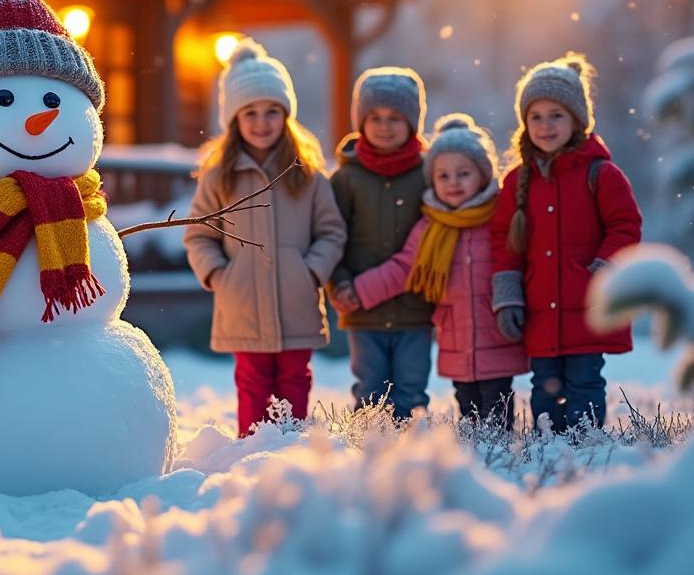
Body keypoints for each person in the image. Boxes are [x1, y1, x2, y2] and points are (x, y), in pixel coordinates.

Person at [184, 38, 346, 438]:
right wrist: (221, 275)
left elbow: (331, 231)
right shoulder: (220, 175)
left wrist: (310, 271)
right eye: (250, 112)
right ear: (234, 120)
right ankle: (251, 452)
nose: (262, 122)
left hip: (296, 300)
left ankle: (290, 450)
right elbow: (199, 235)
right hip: (243, 303)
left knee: (294, 380)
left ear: (286, 115)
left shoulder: (307, 173)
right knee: (253, 383)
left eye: (272, 111)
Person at [490, 53, 642, 432]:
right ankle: (548, 446)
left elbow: (625, 226)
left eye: (556, 114)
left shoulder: (601, 174)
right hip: (540, 308)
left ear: (577, 119)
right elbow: (503, 242)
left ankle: (584, 445)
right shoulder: (517, 182)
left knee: (585, 382)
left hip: (587, 306)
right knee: (544, 384)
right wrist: (507, 294)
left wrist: (603, 269)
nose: (545, 125)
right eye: (536, 116)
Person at [349, 114, 528, 427]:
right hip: (456, 338)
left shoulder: (497, 220)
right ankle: (477, 450)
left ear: (483, 176)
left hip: (497, 335)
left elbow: (519, 260)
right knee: (469, 404)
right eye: (443, 176)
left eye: (463, 174)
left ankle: (499, 451)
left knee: (497, 400)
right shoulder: (430, 227)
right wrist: (361, 289)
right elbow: (404, 267)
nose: (453, 183)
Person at [328, 67, 435, 419]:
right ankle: (369, 447)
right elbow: (332, 234)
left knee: (410, 386)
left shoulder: (428, 174)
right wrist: (339, 281)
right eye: (374, 117)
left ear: (412, 122)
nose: (384, 126)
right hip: (363, 308)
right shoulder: (346, 177)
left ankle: (409, 452)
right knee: (370, 387)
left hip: (416, 307)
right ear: (360, 121)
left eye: (395, 117)